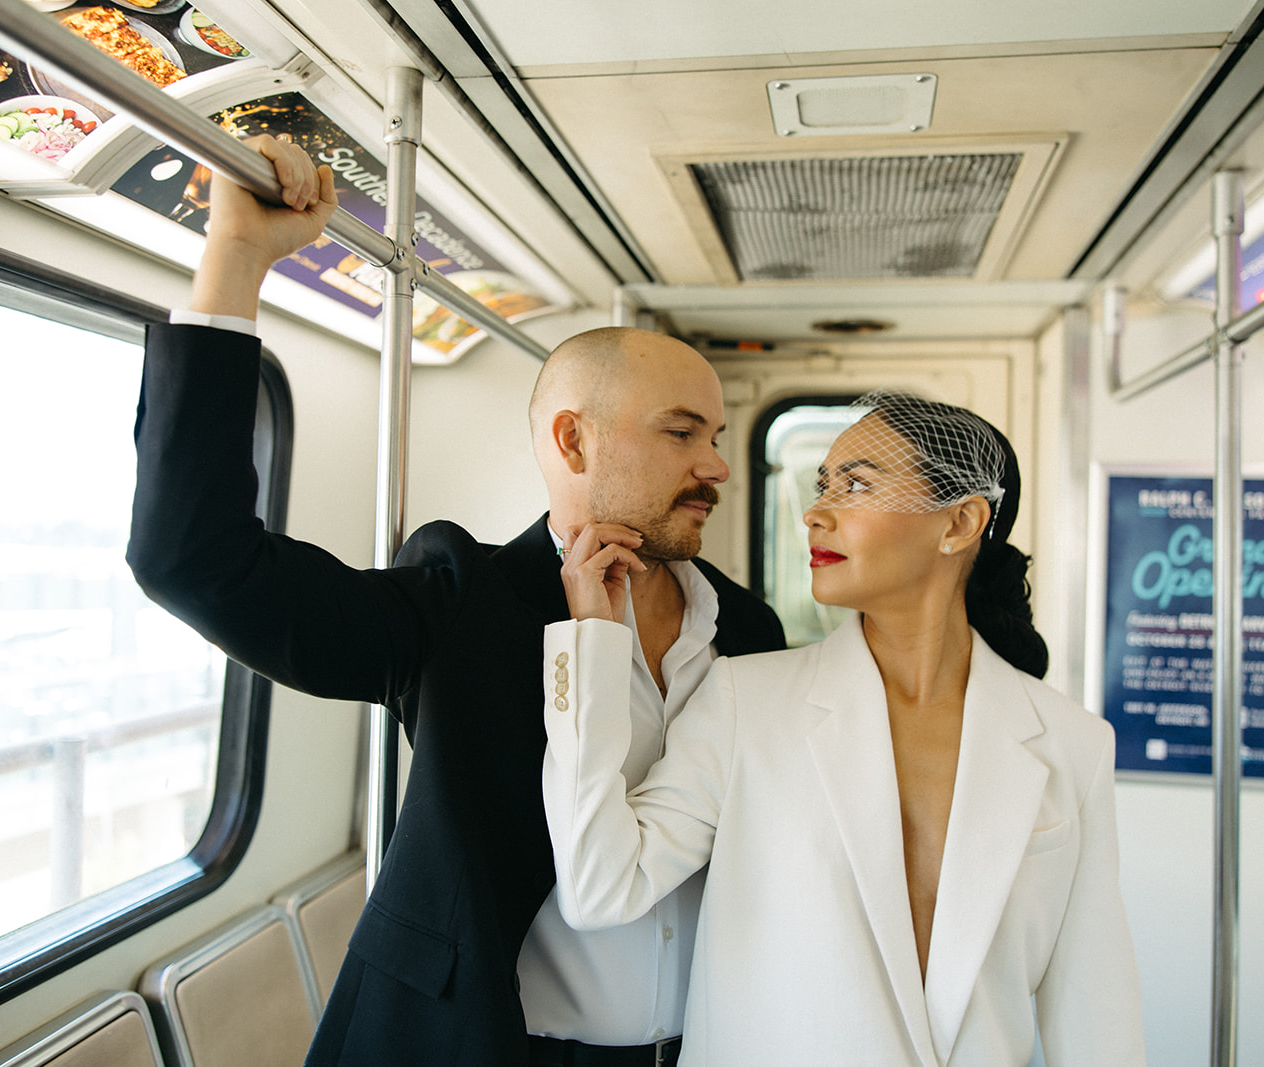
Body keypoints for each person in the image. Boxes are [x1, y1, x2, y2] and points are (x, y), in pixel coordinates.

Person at [125, 134, 785, 1066]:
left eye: (717, 435)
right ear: (574, 440)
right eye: (682, 433)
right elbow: (195, 559)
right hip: (475, 1044)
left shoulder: (749, 629)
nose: (717, 466)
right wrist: (234, 256)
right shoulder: (461, 601)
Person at [543, 391, 1147, 1066]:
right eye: (822, 483)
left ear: (960, 522)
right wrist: (591, 642)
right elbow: (600, 886)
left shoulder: (1073, 743)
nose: (815, 512)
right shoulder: (746, 702)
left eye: (857, 483)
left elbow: (1095, 1010)